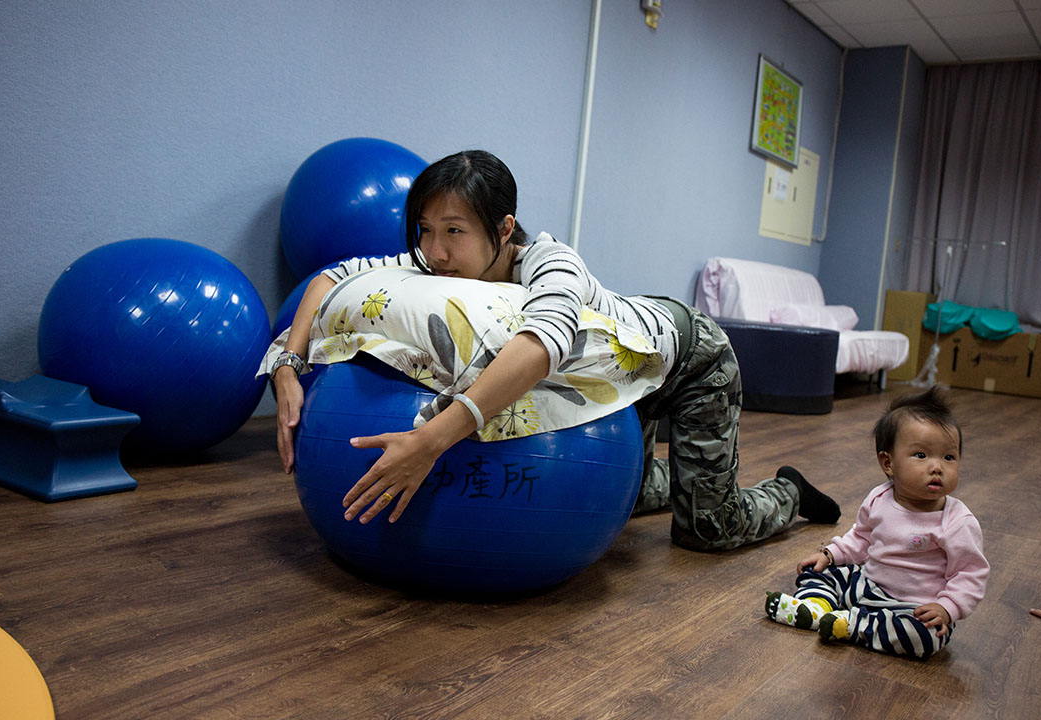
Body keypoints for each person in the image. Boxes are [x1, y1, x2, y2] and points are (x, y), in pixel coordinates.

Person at [270, 149, 841, 551]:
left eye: (454, 231)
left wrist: (432, 441)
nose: (435, 251)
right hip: (623, 367)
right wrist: (290, 366)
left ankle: (787, 491)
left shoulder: (550, 262)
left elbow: (544, 343)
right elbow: (333, 278)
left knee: (707, 531)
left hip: (688, 357)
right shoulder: (433, 262)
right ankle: (691, 475)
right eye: (424, 230)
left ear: (504, 228)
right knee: (633, 495)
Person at [764, 385, 989, 659]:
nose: (937, 467)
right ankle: (816, 607)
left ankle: (851, 626)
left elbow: (970, 574)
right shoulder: (879, 498)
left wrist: (947, 607)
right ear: (888, 463)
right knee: (818, 572)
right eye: (921, 455)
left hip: (912, 607)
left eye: (949, 457)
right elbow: (860, 537)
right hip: (866, 585)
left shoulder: (957, 521)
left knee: (926, 637)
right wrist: (830, 554)